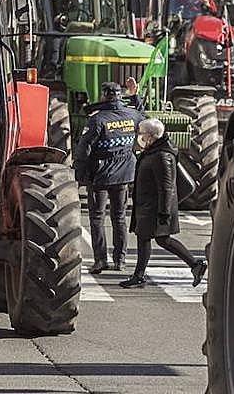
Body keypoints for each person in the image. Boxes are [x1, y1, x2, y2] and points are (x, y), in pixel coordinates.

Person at [120, 118, 206, 288]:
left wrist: (164, 212)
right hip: (149, 205)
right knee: (156, 239)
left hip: (155, 207)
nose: (139, 137)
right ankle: (195, 265)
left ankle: (139, 276)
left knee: (153, 239)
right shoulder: (154, 151)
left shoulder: (162, 156)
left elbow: (166, 186)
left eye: (141, 134)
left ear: (150, 136)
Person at [73, 81, 142, 273]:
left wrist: (79, 174)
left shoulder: (98, 120)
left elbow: (83, 149)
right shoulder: (132, 115)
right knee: (119, 217)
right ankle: (120, 260)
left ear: (104, 96)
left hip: (100, 176)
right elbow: (144, 118)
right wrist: (135, 96)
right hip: (124, 174)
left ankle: (100, 259)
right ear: (120, 96)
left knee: (97, 218)